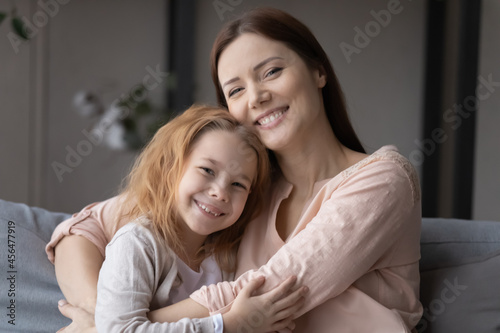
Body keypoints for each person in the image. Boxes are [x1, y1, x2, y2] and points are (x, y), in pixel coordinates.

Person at [48, 7, 423, 332]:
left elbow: (271, 289)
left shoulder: (383, 179)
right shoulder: (240, 192)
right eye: (235, 90)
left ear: (318, 71)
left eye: (272, 71)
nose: (257, 97)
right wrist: (107, 315)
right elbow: (84, 228)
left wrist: (113, 328)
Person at [89, 104, 306, 332]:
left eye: (238, 184)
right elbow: (120, 330)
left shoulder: (227, 254)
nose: (220, 193)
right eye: (207, 170)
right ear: (171, 165)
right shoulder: (137, 244)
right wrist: (229, 326)